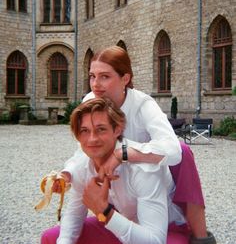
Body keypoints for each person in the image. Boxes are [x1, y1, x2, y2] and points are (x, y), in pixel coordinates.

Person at [54, 46, 216, 243]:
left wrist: (121, 153)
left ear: (125, 79)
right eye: (92, 76)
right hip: (119, 190)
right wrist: (68, 173)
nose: (96, 84)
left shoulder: (142, 105)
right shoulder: (90, 100)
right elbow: (85, 149)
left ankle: (200, 236)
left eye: (104, 76)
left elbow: (172, 150)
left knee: (184, 150)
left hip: (147, 178)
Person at [42, 97, 190, 244]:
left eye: (101, 129)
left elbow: (155, 241)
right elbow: (74, 215)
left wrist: (105, 211)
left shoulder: (143, 168)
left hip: (167, 230)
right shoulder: (83, 165)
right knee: (51, 237)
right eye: (84, 131)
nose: (92, 139)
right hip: (120, 222)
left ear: (117, 129)